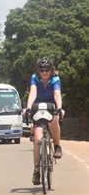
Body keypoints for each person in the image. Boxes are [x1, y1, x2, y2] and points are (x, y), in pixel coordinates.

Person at [26, 57, 64, 185]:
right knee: (37, 140)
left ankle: (57, 146)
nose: (44, 73)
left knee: (54, 120)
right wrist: (28, 108)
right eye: (41, 70)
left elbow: (57, 95)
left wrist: (59, 108)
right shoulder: (34, 78)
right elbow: (33, 93)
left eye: (47, 70)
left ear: (51, 70)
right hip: (38, 108)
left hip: (51, 107)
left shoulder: (55, 79)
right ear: (38, 71)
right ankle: (36, 171)